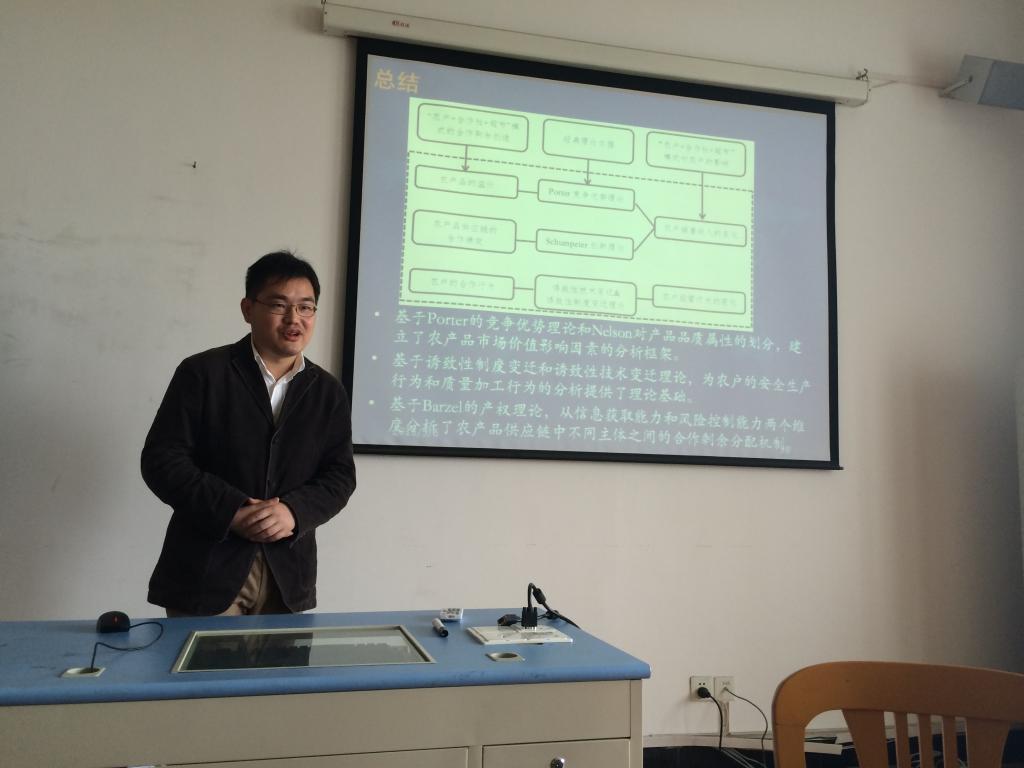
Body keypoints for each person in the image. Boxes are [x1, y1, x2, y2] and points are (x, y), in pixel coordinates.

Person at [142, 251, 356, 616]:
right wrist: (232, 511)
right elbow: (162, 460)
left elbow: (339, 476)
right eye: (279, 305)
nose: (294, 319)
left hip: (288, 575)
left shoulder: (327, 391)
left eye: (306, 307)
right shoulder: (203, 373)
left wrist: (293, 512)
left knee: (283, 658)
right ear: (247, 309)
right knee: (204, 658)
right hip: (207, 569)